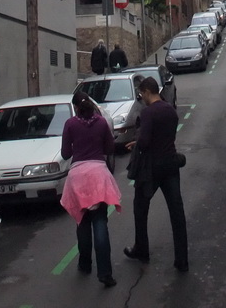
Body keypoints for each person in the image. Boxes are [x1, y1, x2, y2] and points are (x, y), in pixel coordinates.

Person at [124, 77, 188, 271]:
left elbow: (144, 142)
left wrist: (138, 142)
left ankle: (142, 249)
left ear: (146, 91)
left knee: (140, 209)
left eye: (141, 94)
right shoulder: (170, 110)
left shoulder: (148, 112)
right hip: (170, 165)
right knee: (176, 212)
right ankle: (182, 259)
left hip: (151, 169)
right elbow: (165, 136)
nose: (141, 97)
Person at [60, 92, 122, 287]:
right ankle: (105, 273)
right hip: (98, 176)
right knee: (100, 222)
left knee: (83, 221)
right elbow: (110, 149)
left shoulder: (70, 124)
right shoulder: (102, 123)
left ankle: (85, 264)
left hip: (77, 177)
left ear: (76, 108)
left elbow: (65, 153)